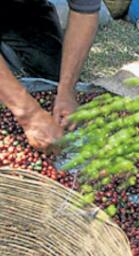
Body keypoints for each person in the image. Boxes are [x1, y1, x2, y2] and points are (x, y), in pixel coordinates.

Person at [0, 0, 100, 151]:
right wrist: (29, 114)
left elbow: (84, 14)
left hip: (23, 8)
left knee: (53, 71)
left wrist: (67, 88)